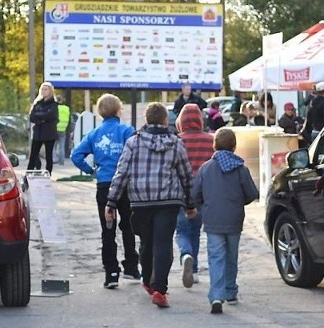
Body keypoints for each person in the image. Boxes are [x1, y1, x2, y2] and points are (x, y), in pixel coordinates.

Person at [106, 102, 196, 308]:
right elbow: (186, 175)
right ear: (166, 120)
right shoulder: (176, 143)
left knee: (146, 242)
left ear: (146, 120)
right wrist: (190, 204)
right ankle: (160, 289)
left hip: (140, 202)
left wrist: (111, 201)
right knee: (163, 243)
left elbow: (122, 173)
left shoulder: (133, 143)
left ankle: (147, 280)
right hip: (168, 202)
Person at [71, 93, 140, 289]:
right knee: (128, 226)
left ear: (100, 112)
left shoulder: (94, 134)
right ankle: (131, 268)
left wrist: (91, 170)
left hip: (104, 185)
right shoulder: (127, 130)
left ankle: (111, 272)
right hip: (125, 185)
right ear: (119, 110)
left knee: (107, 229)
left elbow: (76, 155)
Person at [192, 128, 259, 314]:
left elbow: (195, 194)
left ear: (214, 145)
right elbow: (252, 193)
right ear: (234, 146)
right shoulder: (241, 168)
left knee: (216, 257)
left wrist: (204, 206)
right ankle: (231, 291)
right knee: (232, 256)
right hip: (234, 219)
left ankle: (216, 295)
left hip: (213, 219)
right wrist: (239, 202)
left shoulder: (205, 168)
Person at [175, 104, 215, 288]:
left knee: (182, 230)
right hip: (203, 194)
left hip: (179, 193)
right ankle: (196, 269)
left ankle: (186, 255)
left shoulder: (176, 141)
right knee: (195, 231)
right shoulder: (210, 140)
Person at [27, 82, 58, 174]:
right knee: (33, 155)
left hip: (49, 133)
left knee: (49, 156)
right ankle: (28, 175)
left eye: (46, 89)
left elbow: (51, 116)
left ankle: (48, 174)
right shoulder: (37, 103)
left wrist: (40, 116)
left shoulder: (53, 104)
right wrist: (41, 119)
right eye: (42, 89)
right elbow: (32, 116)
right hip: (38, 133)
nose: (44, 91)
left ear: (50, 91)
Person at [54, 95, 71, 165]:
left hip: (54, 129)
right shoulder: (66, 108)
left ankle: (54, 159)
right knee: (62, 146)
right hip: (63, 129)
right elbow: (69, 119)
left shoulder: (55, 108)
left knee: (52, 146)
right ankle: (61, 161)